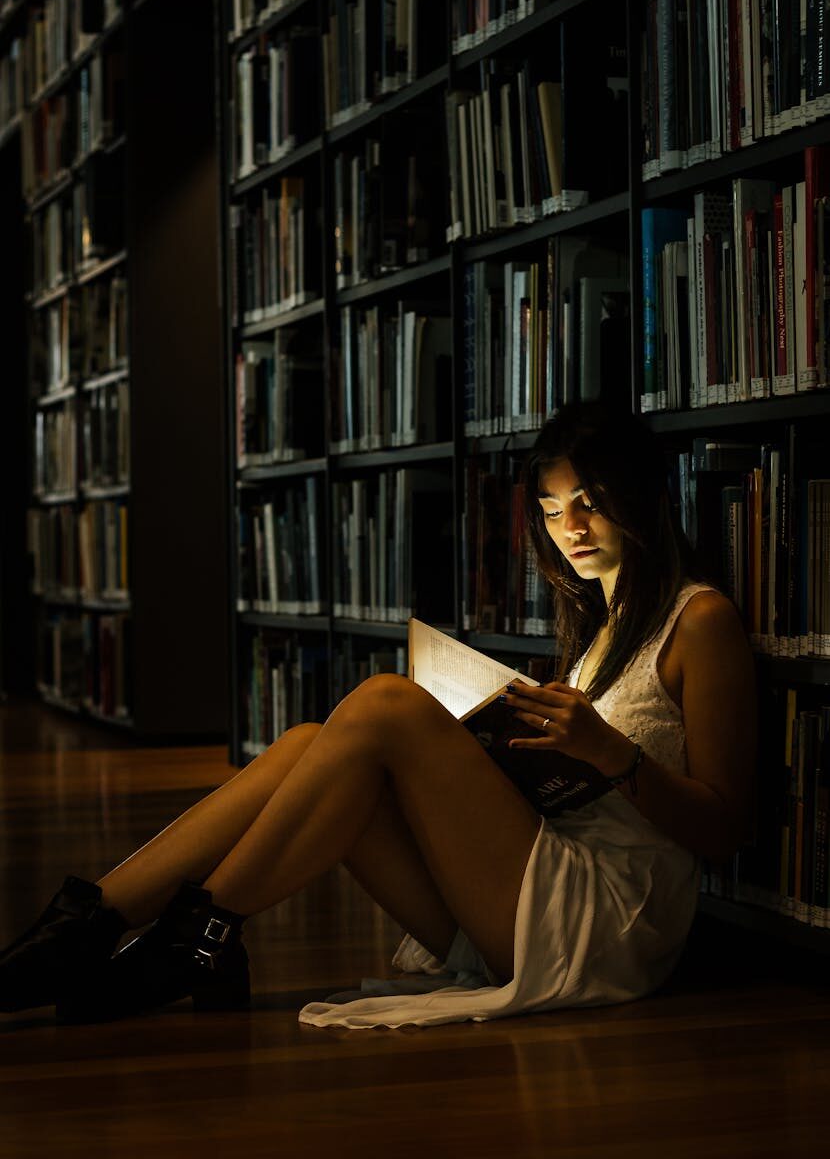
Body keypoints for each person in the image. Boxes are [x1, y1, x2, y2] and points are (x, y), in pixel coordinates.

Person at [0, 402, 757, 1028]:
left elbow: (723, 828)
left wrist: (610, 754)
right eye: (555, 510)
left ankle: (188, 937)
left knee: (389, 703)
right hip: (532, 877)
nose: (572, 528)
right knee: (307, 745)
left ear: (641, 497)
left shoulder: (701, 620)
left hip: (610, 919)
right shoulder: (598, 629)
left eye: (590, 504)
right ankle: (92, 924)